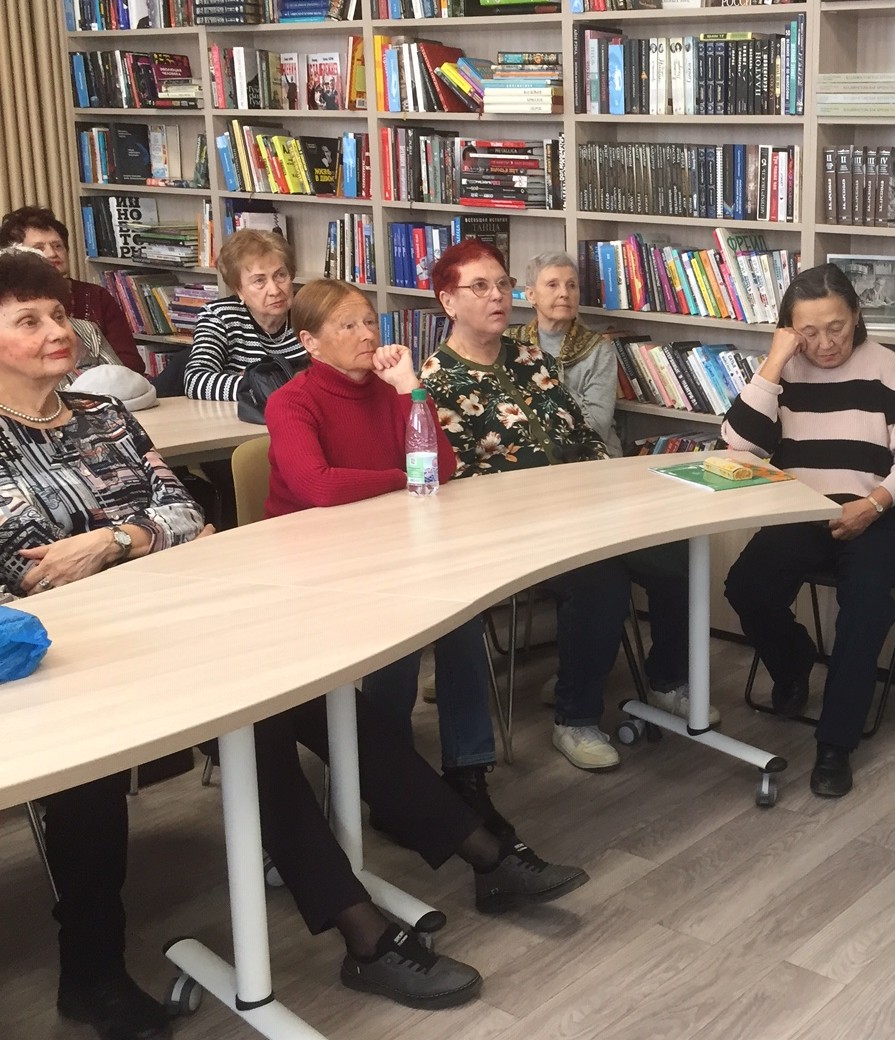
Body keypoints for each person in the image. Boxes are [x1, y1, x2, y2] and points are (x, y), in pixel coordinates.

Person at [0, 252, 579, 1039]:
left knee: (303, 702)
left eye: (56, 314)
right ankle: (95, 972)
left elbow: (183, 511)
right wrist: (140, 534)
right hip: (61, 658)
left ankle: (473, 857)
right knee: (185, 754)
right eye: (28, 321)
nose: (56, 330)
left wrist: (111, 539)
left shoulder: (102, 415)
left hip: (178, 618)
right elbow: (28, 565)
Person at [418, 239, 696, 773]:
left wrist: (602, 489)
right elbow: (461, 481)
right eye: (480, 287)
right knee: (601, 581)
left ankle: (666, 680)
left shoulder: (530, 359)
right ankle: (575, 717)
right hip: (513, 528)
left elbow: (584, 435)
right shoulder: (437, 381)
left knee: (674, 553)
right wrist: (552, 504)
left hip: (585, 507)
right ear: (448, 301)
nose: (497, 296)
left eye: (502, 285)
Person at [263, 279, 519, 840]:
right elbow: (318, 485)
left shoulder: (387, 390)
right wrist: (405, 477)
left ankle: (467, 774)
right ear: (310, 341)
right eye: (347, 326)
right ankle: (394, 784)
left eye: (370, 322)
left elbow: (442, 468)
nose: (366, 335)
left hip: (393, 551)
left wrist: (409, 388)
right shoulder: (292, 402)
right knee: (403, 625)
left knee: (460, 614)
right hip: (316, 567)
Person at [722, 263, 895, 798]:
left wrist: (874, 503)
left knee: (865, 604)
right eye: (809, 332)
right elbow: (739, 447)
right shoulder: (783, 370)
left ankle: (835, 743)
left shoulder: (883, 365)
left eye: (837, 328)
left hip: (877, 510)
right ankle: (794, 664)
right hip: (805, 509)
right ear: (789, 329)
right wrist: (774, 362)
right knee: (746, 586)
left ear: (857, 316)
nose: (825, 344)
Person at [0, 206, 143, 370]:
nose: (52, 253)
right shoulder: (8, 304)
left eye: (57, 246)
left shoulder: (96, 299)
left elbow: (130, 364)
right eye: (39, 248)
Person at [509, 251, 621, 454]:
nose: (564, 293)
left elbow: (596, 426)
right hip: (527, 452)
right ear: (530, 294)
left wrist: (547, 388)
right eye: (553, 285)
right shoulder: (512, 344)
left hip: (590, 452)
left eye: (572, 285)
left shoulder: (598, 349)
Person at [184, 228, 306, 400]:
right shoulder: (220, 317)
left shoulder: (308, 312)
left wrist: (255, 382)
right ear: (239, 289)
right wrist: (267, 386)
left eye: (280, 275)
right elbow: (195, 381)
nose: (274, 290)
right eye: (259, 281)